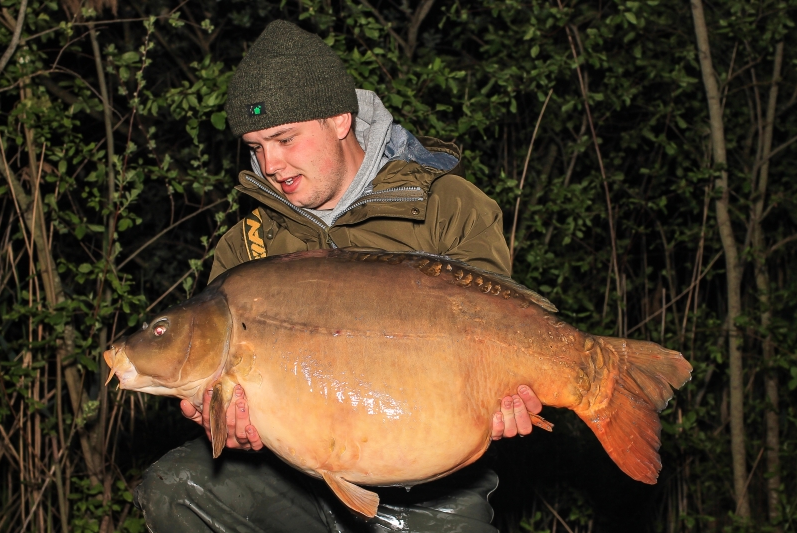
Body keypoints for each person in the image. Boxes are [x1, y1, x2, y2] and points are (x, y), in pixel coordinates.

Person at [135, 20, 543, 533]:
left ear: (339, 119)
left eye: (284, 139)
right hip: (290, 475)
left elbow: (499, 334)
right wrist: (218, 417)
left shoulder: (447, 206)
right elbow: (215, 383)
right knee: (176, 489)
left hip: (429, 482)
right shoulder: (247, 248)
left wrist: (503, 400)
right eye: (256, 147)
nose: (271, 165)